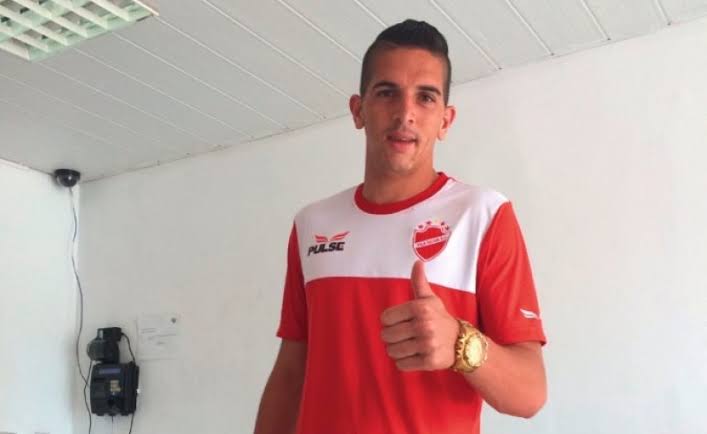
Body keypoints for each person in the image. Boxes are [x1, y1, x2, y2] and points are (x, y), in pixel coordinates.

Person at [254, 19, 547, 434]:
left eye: (425, 97)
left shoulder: (484, 214)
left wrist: (461, 343)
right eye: (387, 92)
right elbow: (290, 373)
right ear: (358, 110)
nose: (405, 113)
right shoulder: (311, 224)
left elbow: (530, 394)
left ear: (445, 120)